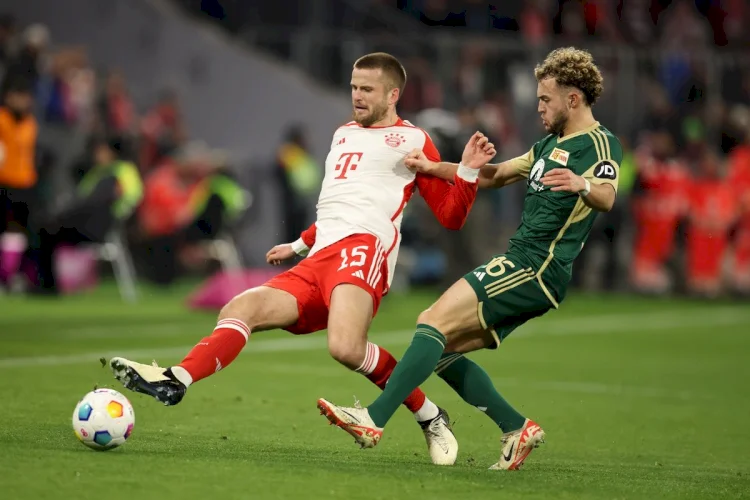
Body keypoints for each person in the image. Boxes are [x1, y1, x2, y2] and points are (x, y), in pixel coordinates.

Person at [107, 52, 496, 466]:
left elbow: (450, 217)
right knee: (243, 306)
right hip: (320, 257)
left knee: (345, 348)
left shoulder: (414, 139)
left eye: (367, 89)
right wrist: (299, 244)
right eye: (353, 87)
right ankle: (176, 379)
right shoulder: (343, 133)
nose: (357, 96)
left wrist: (467, 173)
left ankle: (430, 416)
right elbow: (339, 204)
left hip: (365, 249)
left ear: (392, 94)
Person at [317, 47, 623, 471]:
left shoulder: (599, 143)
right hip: (525, 263)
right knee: (440, 349)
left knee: (431, 322)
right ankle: (516, 427)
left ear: (573, 99)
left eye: (545, 100)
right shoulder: (549, 144)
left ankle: (374, 418)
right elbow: (495, 175)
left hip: (535, 266)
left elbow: (607, 194)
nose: (538, 107)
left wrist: (581, 185)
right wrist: (433, 167)